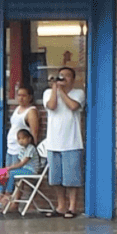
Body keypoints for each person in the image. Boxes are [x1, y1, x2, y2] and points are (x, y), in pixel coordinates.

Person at [43, 66, 85, 218]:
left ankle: (72, 207)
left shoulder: (78, 93)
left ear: (73, 80)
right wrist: (55, 88)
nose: (63, 79)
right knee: (56, 179)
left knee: (72, 179)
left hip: (72, 142)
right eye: (61, 76)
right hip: (53, 142)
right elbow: (52, 106)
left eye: (67, 76)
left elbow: (73, 106)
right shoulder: (48, 93)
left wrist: (62, 91)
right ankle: (61, 206)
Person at [0, 128, 42, 211]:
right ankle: (3, 193)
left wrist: (10, 167)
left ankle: (8, 193)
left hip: (31, 170)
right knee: (7, 174)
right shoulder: (22, 149)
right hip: (24, 169)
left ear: (29, 139)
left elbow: (22, 163)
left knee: (12, 173)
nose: (21, 141)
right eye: (19, 139)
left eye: (23, 138)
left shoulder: (30, 148)